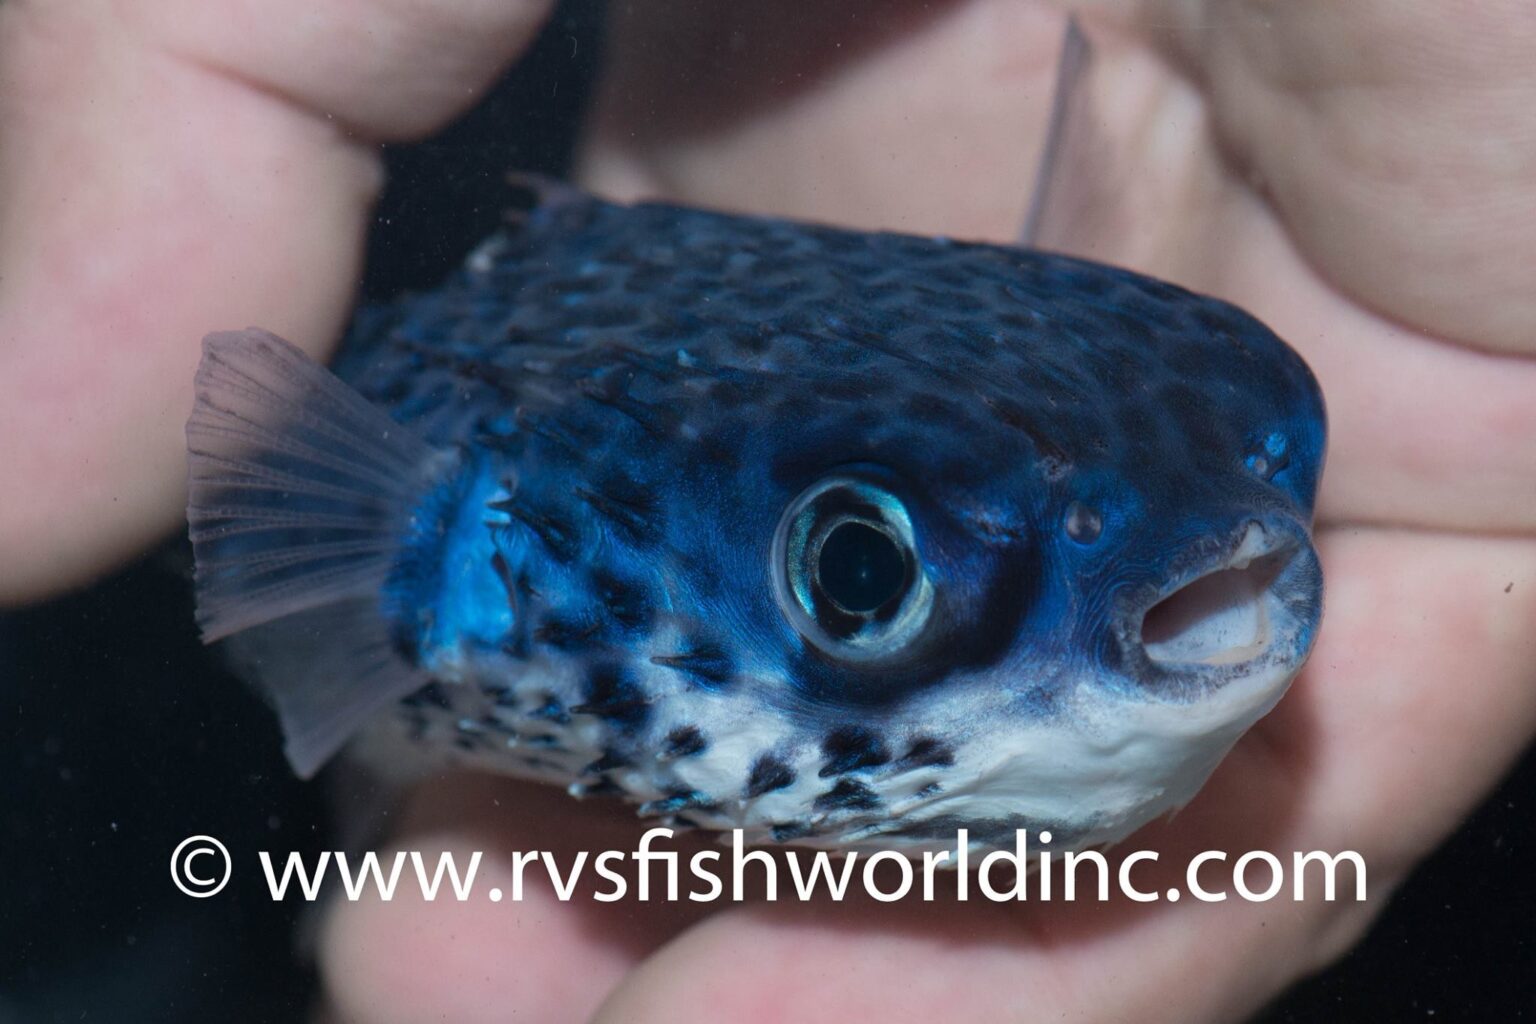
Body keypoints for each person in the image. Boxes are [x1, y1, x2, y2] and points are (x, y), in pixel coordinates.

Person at [3, 2, 1533, 1020]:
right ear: (476, 555)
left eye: (1271, 458)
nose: (1263, 550)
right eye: (865, 576)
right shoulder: (431, 529)